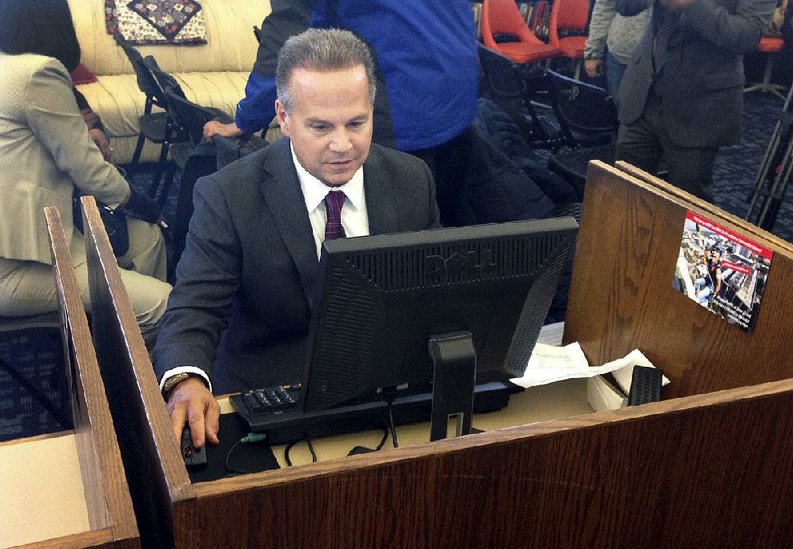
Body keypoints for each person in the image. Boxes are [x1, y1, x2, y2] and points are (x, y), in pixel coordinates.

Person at [153, 29, 440, 447]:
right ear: (283, 118)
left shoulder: (412, 180)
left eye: (357, 123)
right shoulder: (228, 195)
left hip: (385, 396)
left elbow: (432, 294)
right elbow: (194, 310)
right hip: (273, 401)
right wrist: (185, 382)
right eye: (320, 127)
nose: (342, 144)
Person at [202, 1, 477, 226]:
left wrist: (245, 118)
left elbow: (288, 33)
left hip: (402, 108)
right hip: (460, 95)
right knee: (443, 241)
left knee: (383, 247)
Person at [0, 0, 171, 348]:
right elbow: (87, 169)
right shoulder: (35, 72)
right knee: (166, 306)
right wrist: (141, 201)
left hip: (29, 236)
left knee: (146, 238)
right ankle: (117, 384)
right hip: (16, 265)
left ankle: (119, 333)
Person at [615, 0, 774, 203]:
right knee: (623, 191)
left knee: (687, 203)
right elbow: (625, 7)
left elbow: (746, 36)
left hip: (699, 104)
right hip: (643, 93)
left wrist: (691, 4)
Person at [583, 0, 651, 100]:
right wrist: (593, 52)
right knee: (621, 111)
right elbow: (604, 7)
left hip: (665, 60)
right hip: (620, 56)